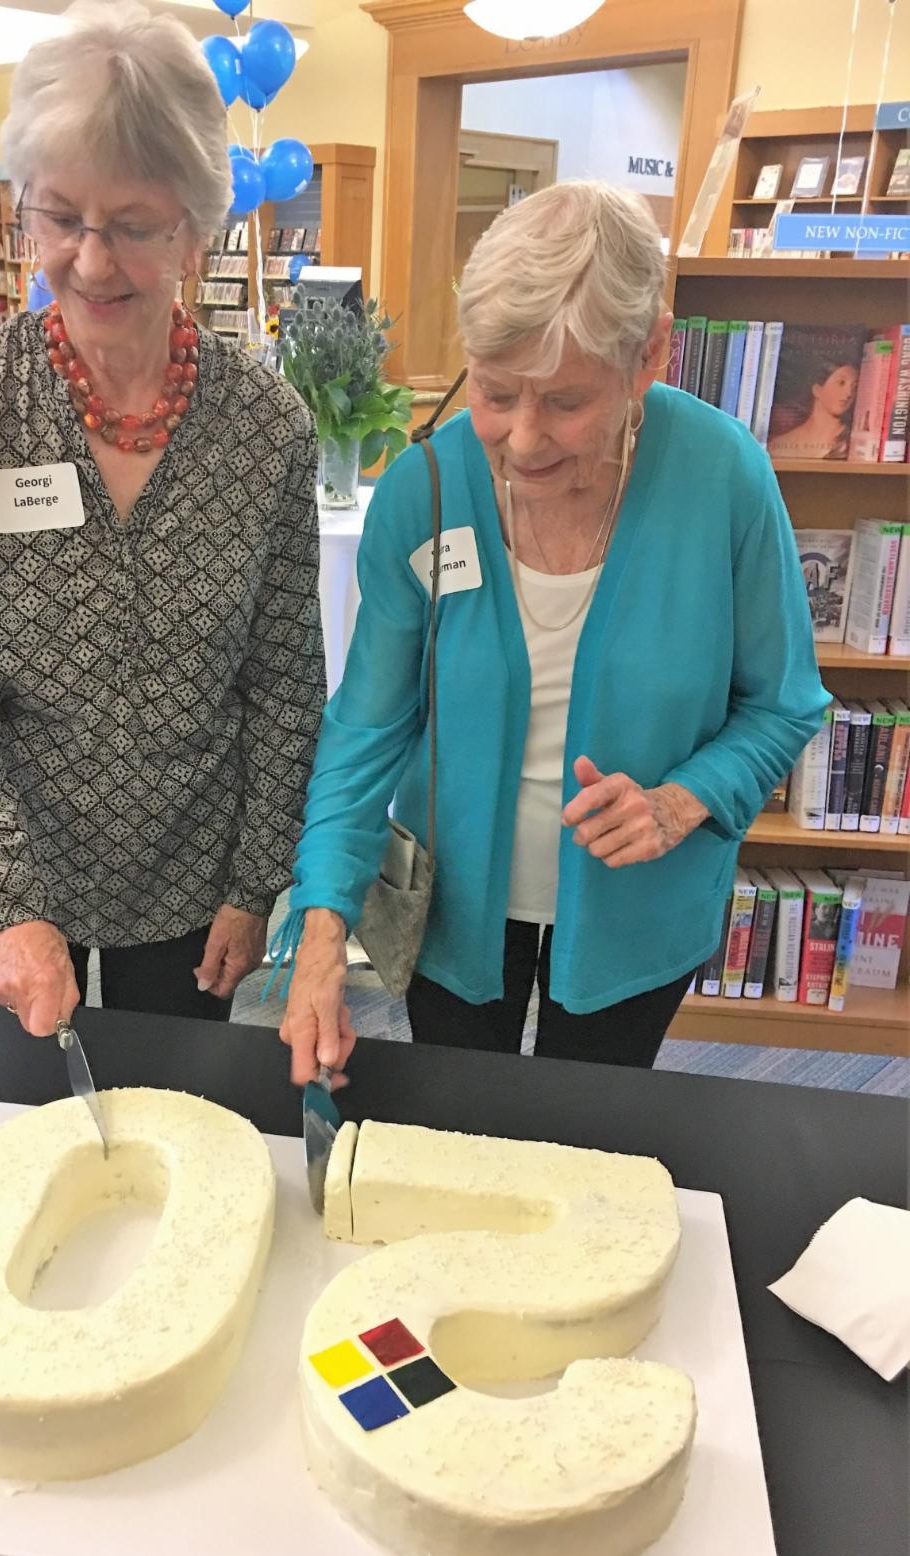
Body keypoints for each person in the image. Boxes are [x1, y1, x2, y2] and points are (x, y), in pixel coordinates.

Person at [274, 180, 829, 1083]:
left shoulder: (723, 477)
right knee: (458, 1120)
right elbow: (366, 726)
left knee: (595, 1128)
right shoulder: (426, 489)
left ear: (651, 355)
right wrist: (323, 923)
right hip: (452, 911)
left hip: (639, 913)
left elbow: (783, 703)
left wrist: (679, 802)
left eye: (566, 402)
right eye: (495, 394)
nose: (523, 441)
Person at [0, 0, 324, 1038]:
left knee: (178, 1114)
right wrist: (9, 903)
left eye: (132, 226)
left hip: (190, 878)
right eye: (58, 217)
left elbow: (284, 681)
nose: (90, 262)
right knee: (9, 1116)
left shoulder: (265, 425)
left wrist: (256, 880)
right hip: (7, 867)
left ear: (196, 226)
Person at [767, 356, 859, 460]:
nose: (849, 393)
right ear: (817, 390)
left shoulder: (853, 443)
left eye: (854, 387)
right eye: (841, 383)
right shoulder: (780, 444)